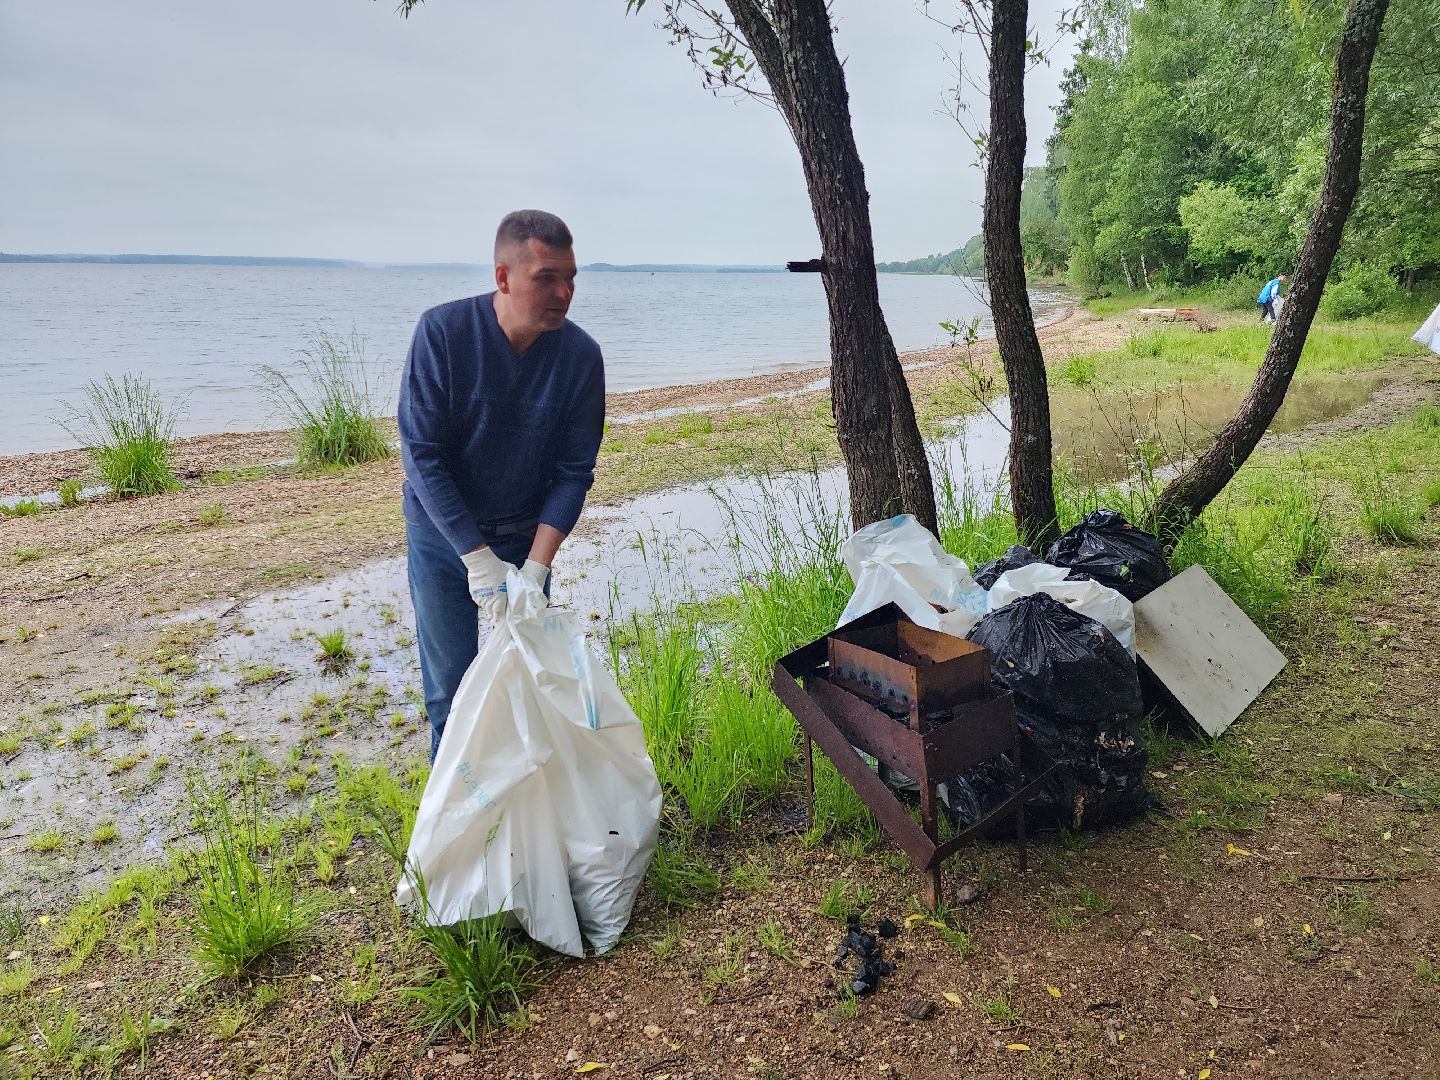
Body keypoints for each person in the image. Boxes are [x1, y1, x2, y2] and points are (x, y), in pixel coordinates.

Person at [399, 210, 605, 760]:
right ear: (503, 277)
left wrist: (535, 570)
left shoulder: (581, 357)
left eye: (570, 277)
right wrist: (476, 559)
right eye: (546, 277)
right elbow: (422, 456)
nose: (564, 293)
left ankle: (520, 802)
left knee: (523, 682)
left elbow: (573, 471)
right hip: (442, 539)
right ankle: (455, 808)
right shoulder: (443, 334)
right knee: (450, 693)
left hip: (524, 538)